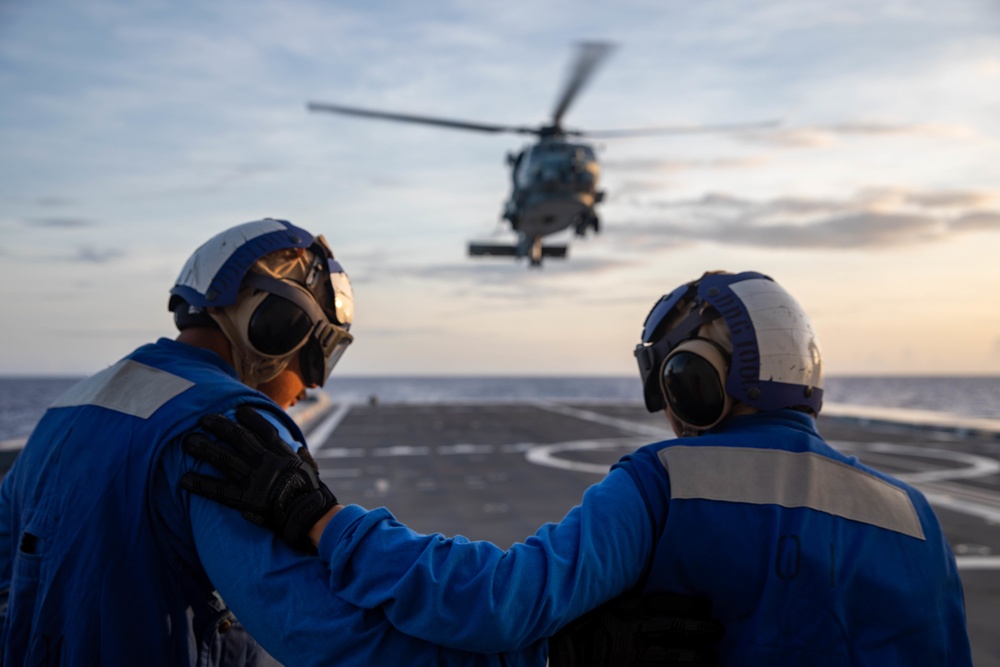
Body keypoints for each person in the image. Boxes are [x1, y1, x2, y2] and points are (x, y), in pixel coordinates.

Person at [184, 270, 973, 665]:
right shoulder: (916, 518)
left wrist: (320, 518)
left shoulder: (665, 482)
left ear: (686, 380)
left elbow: (493, 602)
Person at [0, 218, 546, 666]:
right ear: (276, 325)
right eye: (320, 355)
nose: (312, 385)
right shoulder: (231, 424)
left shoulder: (68, 407)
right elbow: (318, 635)